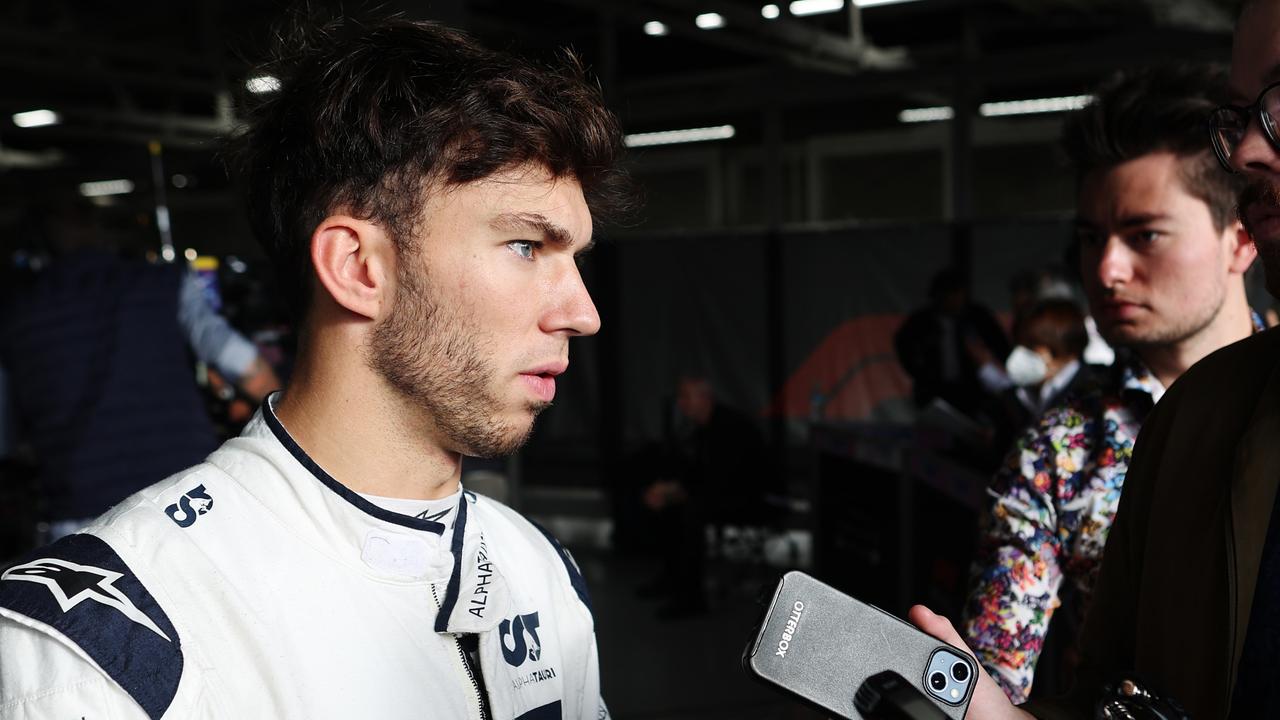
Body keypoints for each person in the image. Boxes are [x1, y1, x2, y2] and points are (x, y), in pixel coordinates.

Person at [0, 16, 632, 720]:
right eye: (523, 246)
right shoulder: (102, 655)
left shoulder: (540, 570)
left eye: (574, 258)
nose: (583, 313)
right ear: (359, 267)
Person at [959, 63, 1261, 704]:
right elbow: (993, 677)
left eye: (1144, 234)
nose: (1106, 269)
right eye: (1091, 238)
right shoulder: (1057, 456)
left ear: (1240, 239)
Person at [0, 198, 280, 544]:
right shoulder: (161, 282)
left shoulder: (16, 312)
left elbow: (6, 435)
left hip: (83, 515)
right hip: (186, 501)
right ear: (100, 229)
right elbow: (242, 363)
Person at [639, 374, 767, 619]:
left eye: (686, 397)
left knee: (691, 512)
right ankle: (672, 579)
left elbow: (725, 479)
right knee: (668, 507)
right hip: (718, 494)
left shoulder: (730, 427)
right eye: (680, 397)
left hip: (749, 499)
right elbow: (696, 474)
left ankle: (691, 598)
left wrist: (677, 492)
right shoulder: (700, 429)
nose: (681, 403)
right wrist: (668, 490)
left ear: (705, 398)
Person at [895, 267, 1012, 419]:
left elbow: (1001, 346)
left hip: (973, 392)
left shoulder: (977, 317)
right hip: (934, 390)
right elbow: (904, 346)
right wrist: (920, 371)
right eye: (950, 294)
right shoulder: (922, 321)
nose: (956, 299)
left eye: (959, 293)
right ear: (938, 295)